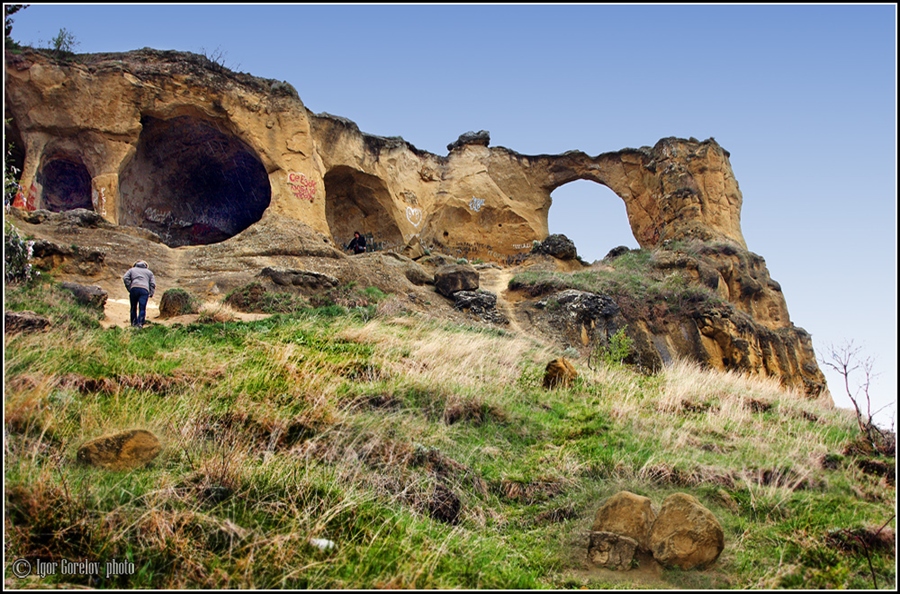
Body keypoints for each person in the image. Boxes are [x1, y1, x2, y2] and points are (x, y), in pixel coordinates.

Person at [123, 260, 156, 329]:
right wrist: (151, 293)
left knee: (133, 307)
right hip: (144, 290)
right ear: (146, 266)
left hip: (134, 288)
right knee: (142, 308)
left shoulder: (132, 270)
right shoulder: (149, 272)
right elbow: (152, 284)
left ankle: (133, 323)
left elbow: (125, 278)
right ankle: (140, 323)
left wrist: (130, 287)